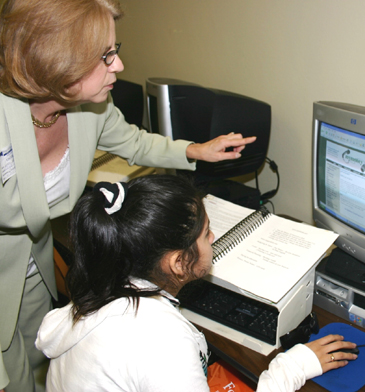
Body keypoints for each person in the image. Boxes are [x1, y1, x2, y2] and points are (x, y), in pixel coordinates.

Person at [0, 0, 255, 390]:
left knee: (35, 365)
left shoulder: (91, 106)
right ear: (57, 61)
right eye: (104, 56)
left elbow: (133, 142)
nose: (118, 65)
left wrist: (195, 151)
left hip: (32, 263)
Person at [35, 175, 357, 392]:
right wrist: (292, 366)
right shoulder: (163, 345)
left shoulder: (100, 291)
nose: (214, 237)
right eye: (205, 234)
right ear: (177, 263)